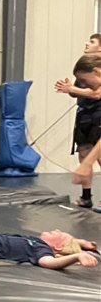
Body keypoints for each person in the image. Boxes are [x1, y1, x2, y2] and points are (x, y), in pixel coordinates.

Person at [55, 46, 101, 209]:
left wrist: (87, 163)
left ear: (96, 71)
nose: (84, 85)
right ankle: (86, 197)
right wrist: (87, 162)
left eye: (86, 81)